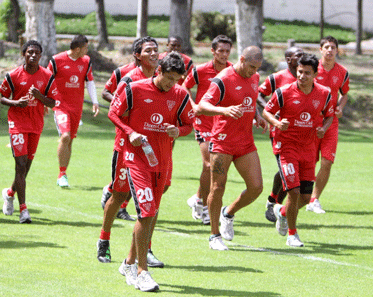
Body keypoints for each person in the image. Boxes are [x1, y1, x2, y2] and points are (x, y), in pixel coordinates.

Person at [108, 52, 194, 291]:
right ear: (159, 72)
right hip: (136, 160)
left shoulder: (180, 95)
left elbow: (189, 124)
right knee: (146, 212)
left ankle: (127, 263)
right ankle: (142, 272)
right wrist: (130, 132)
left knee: (151, 214)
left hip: (161, 161)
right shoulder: (134, 88)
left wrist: (179, 131)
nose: (170, 83)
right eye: (168, 77)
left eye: (176, 79)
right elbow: (113, 113)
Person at [97, 36, 165, 268]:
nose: (155, 54)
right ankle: (104, 239)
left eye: (157, 49)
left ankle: (146, 248)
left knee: (153, 200)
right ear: (137, 55)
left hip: (153, 149)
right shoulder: (128, 78)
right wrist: (130, 126)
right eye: (149, 50)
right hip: (126, 147)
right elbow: (113, 106)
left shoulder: (161, 78)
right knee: (119, 194)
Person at [195, 46, 267, 251]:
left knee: (256, 187)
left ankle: (228, 213)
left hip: (245, 142)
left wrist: (257, 117)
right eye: (251, 66)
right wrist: (224, 110)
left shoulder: (254, 77)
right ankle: (214, 235)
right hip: (222, 141)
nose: (254, 71)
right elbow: (201, 106)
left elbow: (249, 101)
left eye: (257, 68)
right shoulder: (223, 79)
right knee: (217, 187)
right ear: (242, 59)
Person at [262, 53, 334, 247]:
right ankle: (292, 235)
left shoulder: (324, 94)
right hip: (287, 147)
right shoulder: (284, 92)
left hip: (309, 149)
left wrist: (323, 128)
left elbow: (329, 115)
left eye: (307, 73)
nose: (302, 76)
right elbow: (266, 111)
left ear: (316, 74)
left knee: (305, 197)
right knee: (293, 192)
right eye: (300, 72)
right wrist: (277, 122)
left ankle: (281, 212)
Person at [1, 40, 59, 223]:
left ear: (41, 56)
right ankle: (23, 210)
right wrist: (15, 103)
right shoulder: (14, 75)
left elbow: (53, 102)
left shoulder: (47, 76)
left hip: (35, 124)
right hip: (17, 123)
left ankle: (9, 193)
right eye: (30, 52)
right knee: (20, 163)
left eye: (36, 53)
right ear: (23, 54)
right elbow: (2, 96)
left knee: (25, 167)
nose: (33, 56)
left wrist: (39, 97)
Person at [182, 35, 233, 225]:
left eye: (227, 51)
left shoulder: (232, 70)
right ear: (213, 51)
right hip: (203, 123)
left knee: (217, 167)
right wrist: (193, 105)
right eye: (220, 50)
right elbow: (184, 87)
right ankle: (204, 206)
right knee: (209, 165)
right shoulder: (201, 70)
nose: (224, 54)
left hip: (222, 124)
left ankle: (197, 199)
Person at [257, 46, 304, 223]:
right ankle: (273, 201)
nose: (301, 58)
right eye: (297, 55)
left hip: (302, 133)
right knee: (286, 169)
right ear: (288, 59)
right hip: (279, 130)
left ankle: (276, 202)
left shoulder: (306, 76)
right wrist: (271, 110)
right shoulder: (277, 77)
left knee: (295, 171)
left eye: (302, 54)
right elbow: (258, 94)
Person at [47, 34, 99, 188]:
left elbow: (89, 81)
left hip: (77, 107)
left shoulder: (86, 61)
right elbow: (47, 80)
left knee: (70, 140)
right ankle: (62, 174)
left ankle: (63, 173)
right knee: (65, 136)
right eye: (85, 47)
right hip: (60, 106)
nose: (87, 50)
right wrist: (44, 102)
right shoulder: (56, 60)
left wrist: (95, 101)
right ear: (77, 49)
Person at [306, 36, 350, 214]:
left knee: (327, 162)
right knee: (308, 161)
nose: (330, 50)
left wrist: (340, 107)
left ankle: (314, 200)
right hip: (310, 122)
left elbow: (344, 94)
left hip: (331, 123)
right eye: (327, 47)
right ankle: (301, 195)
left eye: (333, 47)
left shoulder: (343, 72)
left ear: (337, 50)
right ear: (320, 50)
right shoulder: (312, 68)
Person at [100, 38, 141, 222]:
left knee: (139, 173)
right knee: (124, 173)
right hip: (125, 131)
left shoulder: (157, 75)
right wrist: (121, 104)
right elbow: (106, 92)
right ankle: (111, 192)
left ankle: (122, 206)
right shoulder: (123, 72)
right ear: (136, 54)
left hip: (145, 130)